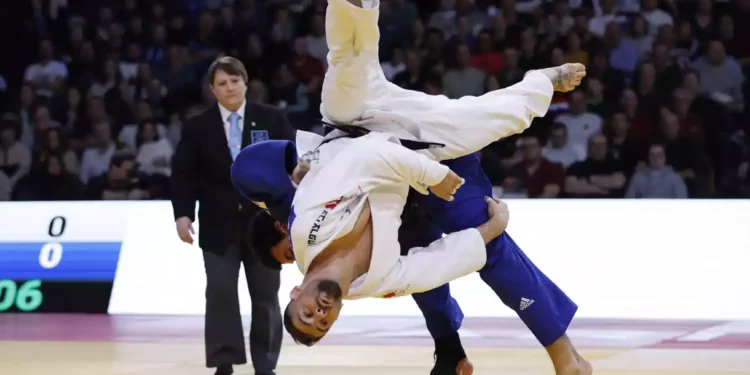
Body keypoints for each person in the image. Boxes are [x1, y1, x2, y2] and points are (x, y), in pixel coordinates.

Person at [230, 2, 590, 374]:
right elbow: (434, 266)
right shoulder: (374, 280)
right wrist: (487, 231)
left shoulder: (306, 226)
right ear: (336, 317)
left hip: (355, 122)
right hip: (412, 143)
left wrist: (433, 178)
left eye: (307, 314)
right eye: (323, 323)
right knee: (498, 120)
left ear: (296, 292)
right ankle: (542, 82)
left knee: (349, 63)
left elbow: (369, 154)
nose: (319, 314)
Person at [170, 56, 296, 375]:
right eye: (222, 83)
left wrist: (289, 216)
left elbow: (293, 169)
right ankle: (224, 363)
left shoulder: (273, 118)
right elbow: (183, 175)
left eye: (234, 81)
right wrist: (183, 216)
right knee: (221, 293)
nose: (229, 88)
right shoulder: (198, 126)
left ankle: (265, 366)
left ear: (245, 81)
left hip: (266, 226)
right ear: (212, 89)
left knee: (266, 297)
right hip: (217, 225)